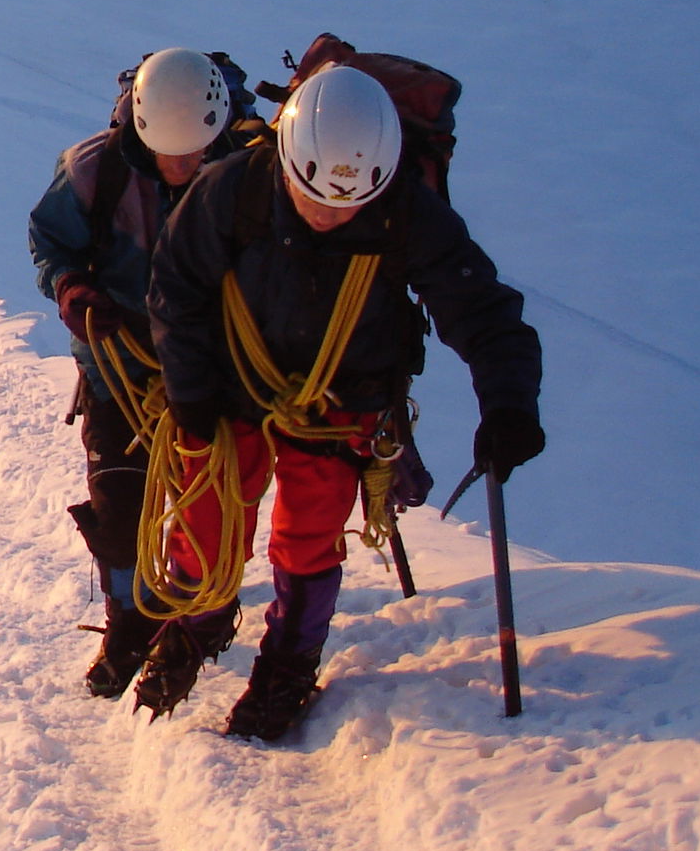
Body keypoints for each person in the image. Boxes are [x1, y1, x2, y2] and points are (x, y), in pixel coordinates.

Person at [141, 63, 545, 738]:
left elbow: (483, 311)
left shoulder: (407, 214)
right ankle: (197, 622)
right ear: (286, 163)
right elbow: (175, 288)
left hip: (341, 400)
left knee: (308, 538)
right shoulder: (233, 189)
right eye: (313, 197)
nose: (331, 216)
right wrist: (191, 396)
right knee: (205, 521)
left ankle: (289, 666)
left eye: (349, 204)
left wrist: (509, 405)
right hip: (233, 384)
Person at [29, 48, 258, 699]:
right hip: (118, 362)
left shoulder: (244, 174)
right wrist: (71, 288)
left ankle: (195, 604)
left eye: (197, 154)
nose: (184, 168)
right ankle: (129, 617)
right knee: (119, 498)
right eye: (172, 155)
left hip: (213, 366)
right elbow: (51, 241)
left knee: (210, 497)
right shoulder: (93, 171)